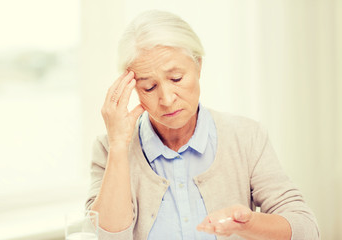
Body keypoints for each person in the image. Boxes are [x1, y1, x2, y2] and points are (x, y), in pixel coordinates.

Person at [85, 10, 320, 240]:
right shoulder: (108, 148)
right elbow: (103, 237)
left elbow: (306, 229)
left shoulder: (247, 136)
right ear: (132, 87)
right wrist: (118, 146)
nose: (166, 99)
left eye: (176, 78)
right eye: (149, 87)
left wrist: (250, 224)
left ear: (198, 65)